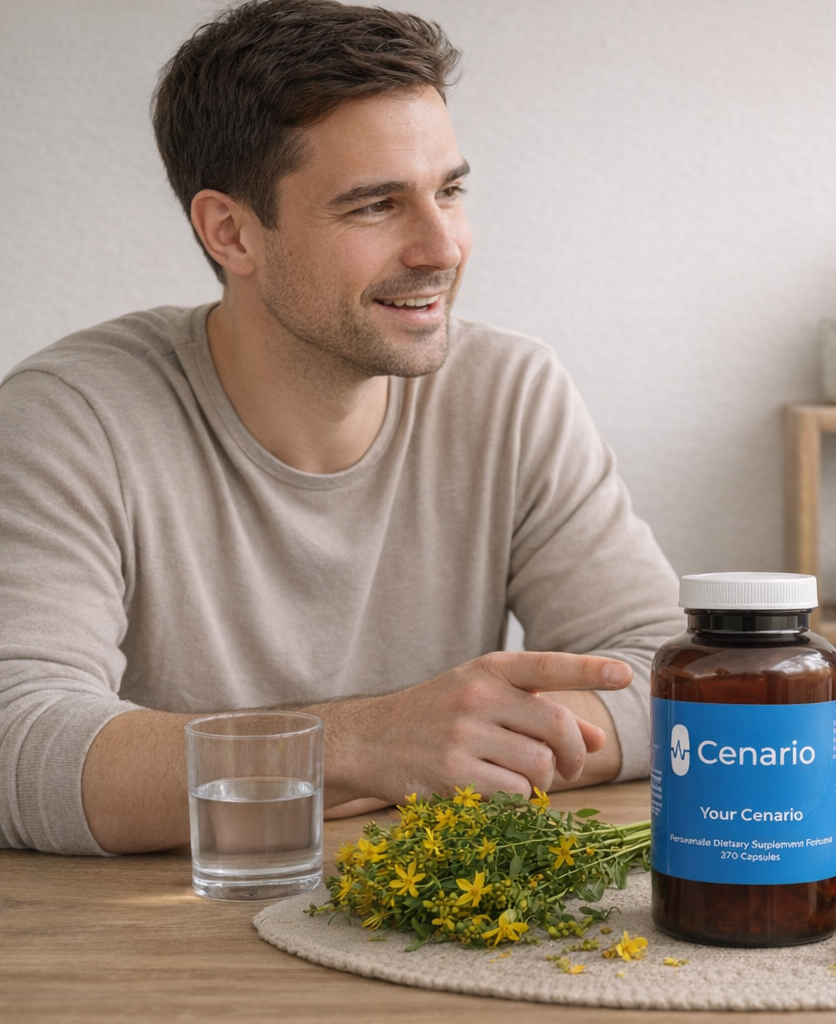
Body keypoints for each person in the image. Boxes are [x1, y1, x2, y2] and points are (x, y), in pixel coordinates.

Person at [0, 0, 684, 856]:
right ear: (231, 232)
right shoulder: (73, 414)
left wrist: (451, 750)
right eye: (374, 207)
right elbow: (18, 740)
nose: (442, 248)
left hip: (420, 928)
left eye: (450, 190)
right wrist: (363, 747)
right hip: (159, 949)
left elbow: (680, 683)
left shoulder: (510, 391)